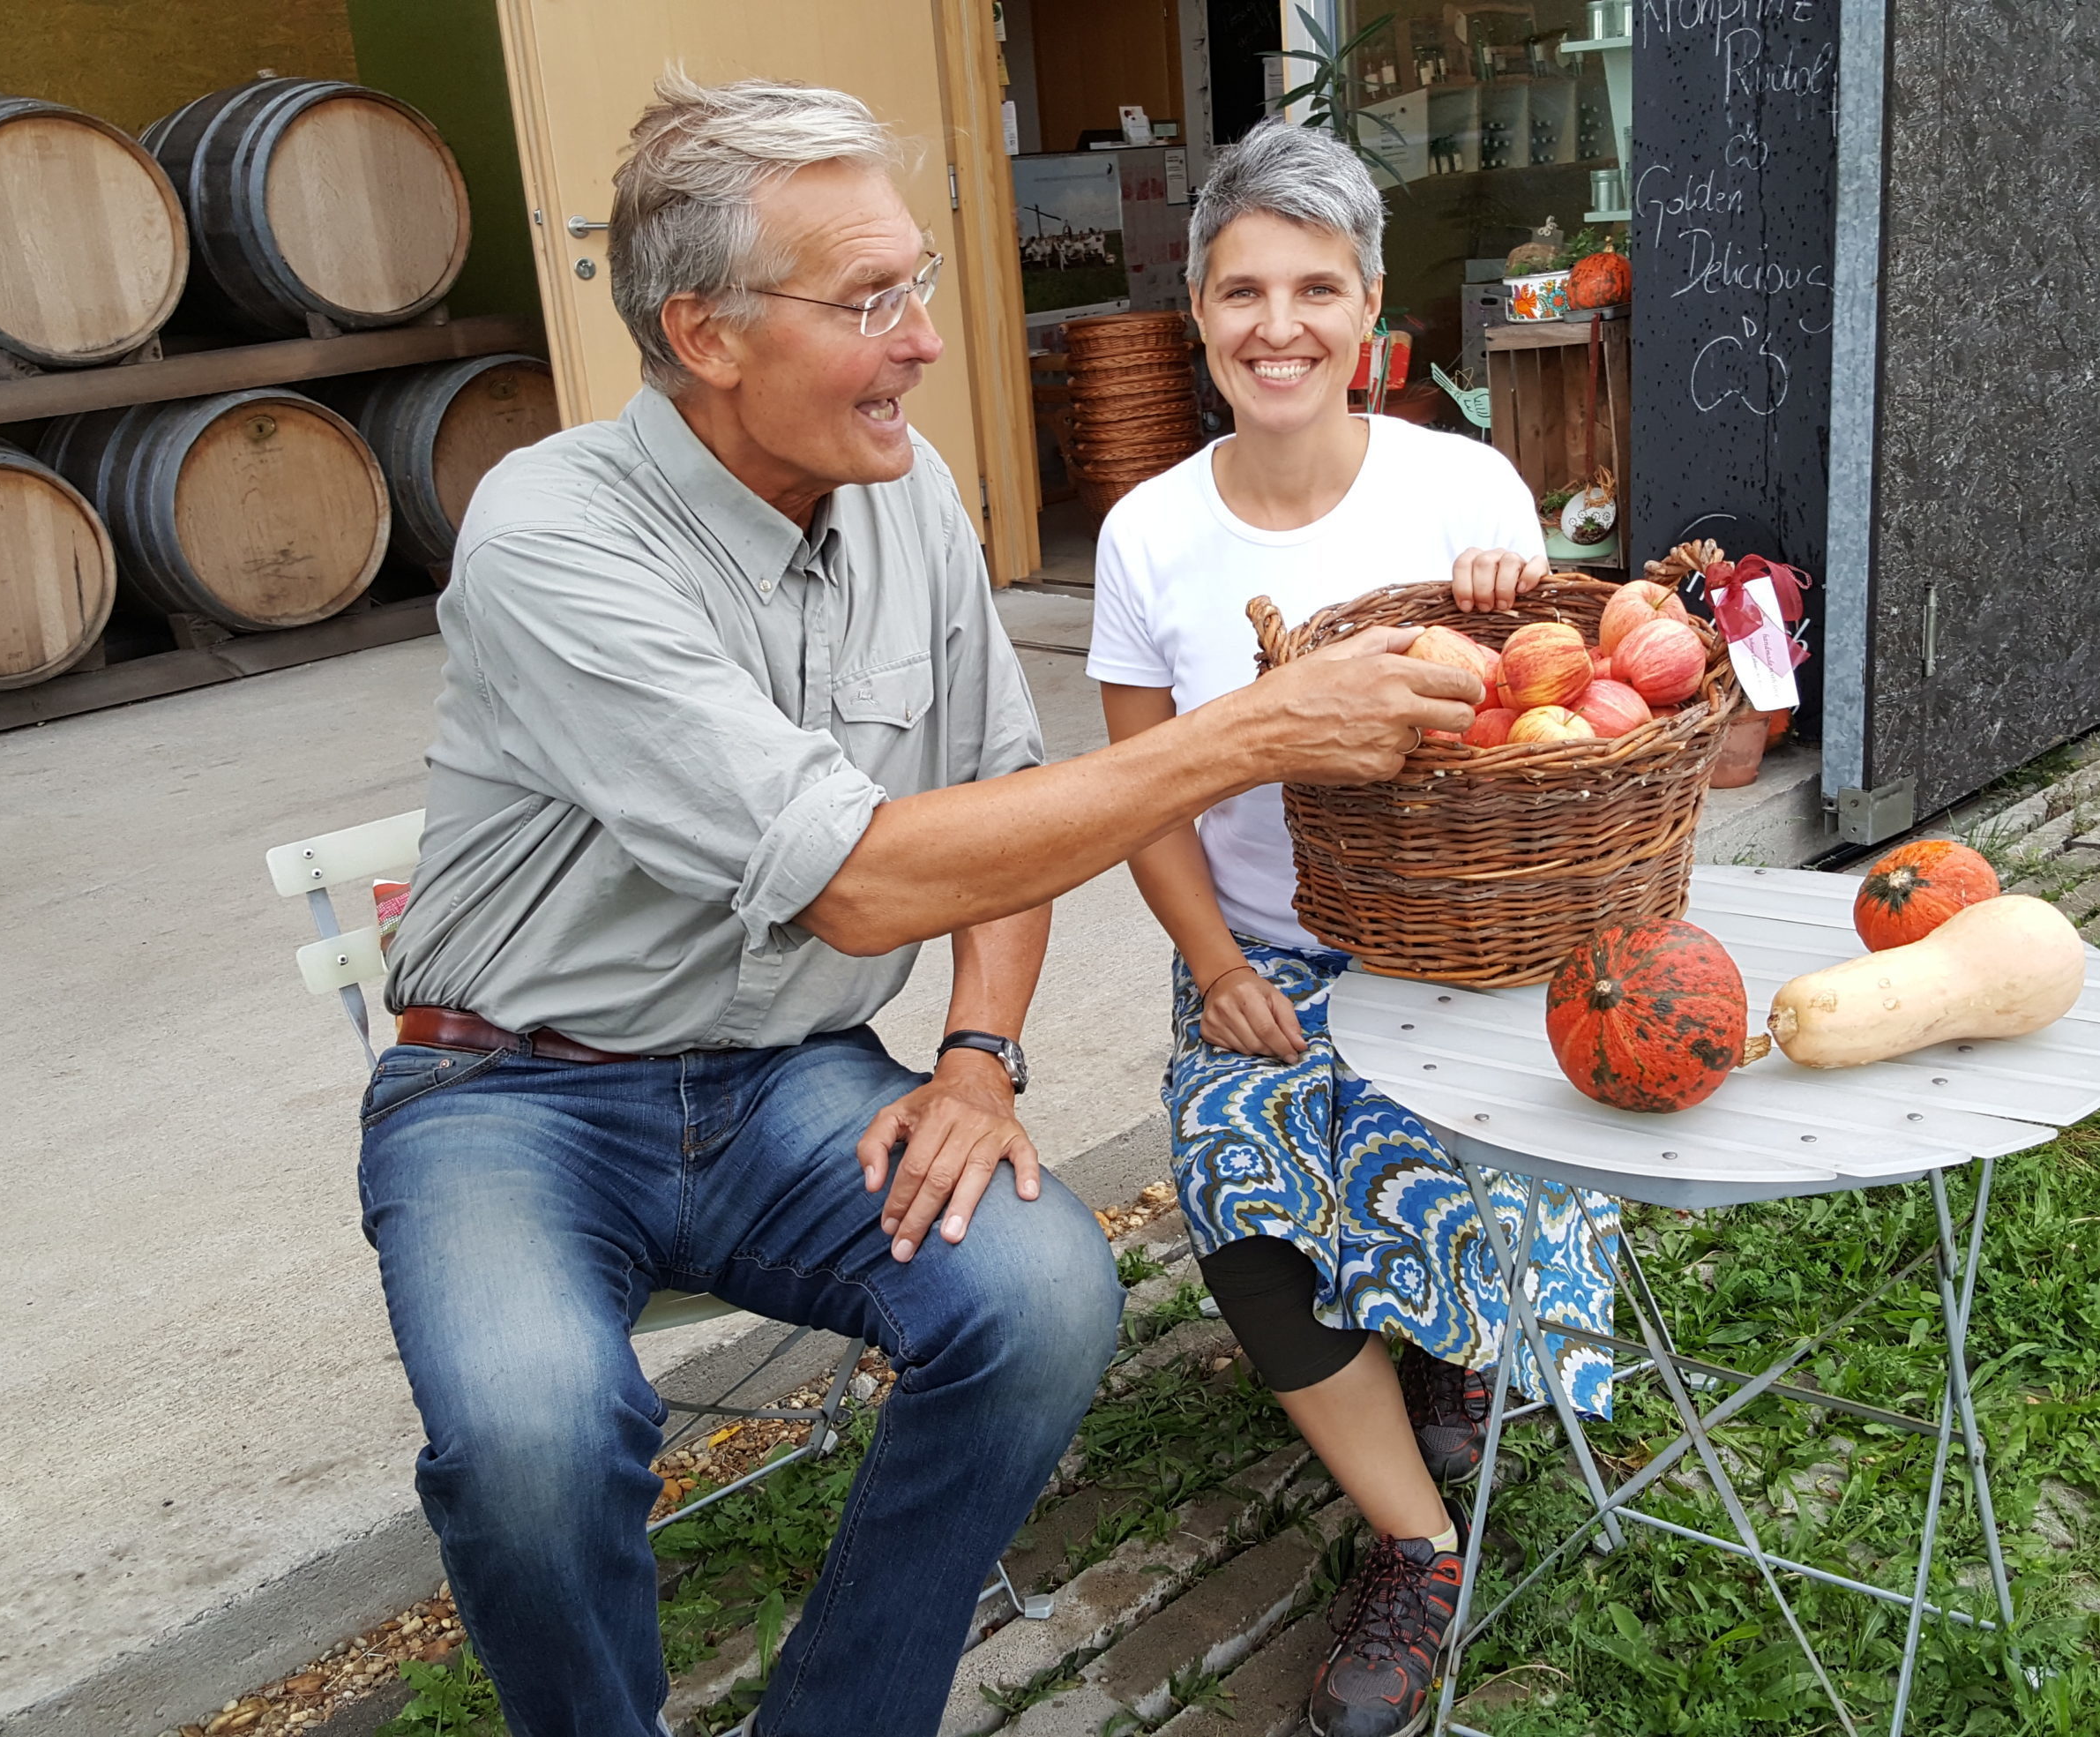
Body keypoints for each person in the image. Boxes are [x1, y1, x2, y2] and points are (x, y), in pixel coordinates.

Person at [357, 79, 1484, 1737]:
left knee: (1041, 1296)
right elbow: (871, 875)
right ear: (708, 333)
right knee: (532, 1430)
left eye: (920, 290)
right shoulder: (554, 532)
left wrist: (977, 1055)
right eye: (871, 301)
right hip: (511, 1089)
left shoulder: (907, 496)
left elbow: (1000, 815)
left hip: (779, 1077)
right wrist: (1248, 729)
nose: (928, 342)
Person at [1084, 122, 1626, 1737]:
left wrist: (1506, 612)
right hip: (1268, 954)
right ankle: (1417, 1540)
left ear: (1370, 304)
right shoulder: (1147, 538)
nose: (1279, 325)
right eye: (1243, 289)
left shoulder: (1463, 486)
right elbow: (1138, 796)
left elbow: (1562, 736)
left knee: (1477, 1130)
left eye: (1316, 286)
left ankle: (1457, 1346)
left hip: (1458, 948)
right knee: (1238, 1157)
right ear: (1197, 311)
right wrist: (1219, 966)